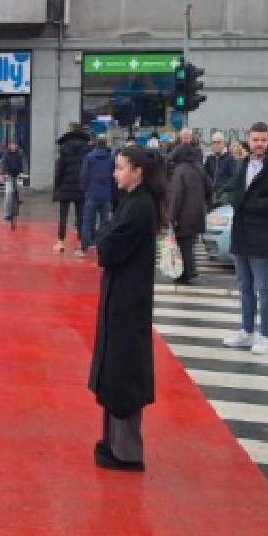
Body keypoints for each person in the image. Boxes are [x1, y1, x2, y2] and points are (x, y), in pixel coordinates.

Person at [88, 143, 165, 472]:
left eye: (120, 168)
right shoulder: (131, 202)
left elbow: (107, 246)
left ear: (138, 172)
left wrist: (103, 238)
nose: (114, 174)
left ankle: (127, 451)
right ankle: (113, 443)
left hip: (129, 301)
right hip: (122, 296)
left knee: (124, 374)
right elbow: (103, 237)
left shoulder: (140, 207)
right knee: (114, 372)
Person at [224, 122, 268, 355]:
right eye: (255, 140)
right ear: (249, 140)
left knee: (264, 288)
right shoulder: (243, 163)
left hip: (264, 236)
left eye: (263, 140)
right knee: (244, 286)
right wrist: (230, 197)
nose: (259, 144)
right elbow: (234, 191)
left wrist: (252, 204)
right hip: (241, 234)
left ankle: (265, 335)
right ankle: (247, 331)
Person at [166, 142, 209, 284]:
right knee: (190, 244)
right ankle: (190, 270)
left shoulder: (180, 171)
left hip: (184, 214)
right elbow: (209, 188)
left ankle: (186, 273)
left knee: (183, 245)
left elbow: (176, 196)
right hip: (197, 213)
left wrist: (171, 216)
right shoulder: (198, 169)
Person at [53, 125, 92, 253]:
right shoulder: (87, 149)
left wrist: (57, 185)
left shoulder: (64, 148)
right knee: (81, 216)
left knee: (63, 216)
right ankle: (81, 242)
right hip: (81, 187)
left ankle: (61, 242)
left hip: (65, 187)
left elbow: (60, 169)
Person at [80, 135, 116, 257]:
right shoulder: (110, 158)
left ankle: (85, 247)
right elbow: (113, 176)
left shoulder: (89, 157)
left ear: (96, 144)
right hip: (106, 193)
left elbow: (84, 175)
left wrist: (85, 189)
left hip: (92, 193)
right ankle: (102, 246)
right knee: (105, 222)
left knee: (87, 221)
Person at [203, 132, 237, 207]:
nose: (216, 145)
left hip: (225, 198)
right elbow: (205, 176)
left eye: (218, 142)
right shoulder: (209, 159)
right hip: (211, 197)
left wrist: (222, 189)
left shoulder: (230, 159)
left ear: (223, 144)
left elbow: (234, 178)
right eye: (214, 143)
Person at [0, 139, 24, 221]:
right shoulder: (6, 154)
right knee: (8, 194)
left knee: (20, 186)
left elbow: (24, 163)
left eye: (14, 145)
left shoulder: (20, 153)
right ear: (9, 146)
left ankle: (19, 200)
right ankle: (7, 214)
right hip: (9, 175)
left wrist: (22, 173)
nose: (13, 146)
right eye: (11, 145)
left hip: (18, 174)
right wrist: (3, 174)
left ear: (16, 146)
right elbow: (3, 164)